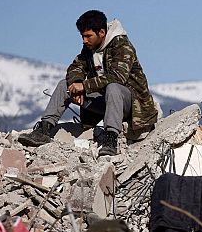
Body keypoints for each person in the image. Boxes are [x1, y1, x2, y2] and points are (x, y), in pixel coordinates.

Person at [18, 10, 158, 156]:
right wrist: (77, 83)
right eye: (82, 36)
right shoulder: (89, 48)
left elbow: (118, 77)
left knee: (113, 87)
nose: (84, 40)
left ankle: (110, 139)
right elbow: (75, 67)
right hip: (105, 103)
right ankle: (44, 129)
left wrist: (84, 86)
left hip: (131, 106)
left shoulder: (122, 46)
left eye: (88, 36)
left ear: (102, 32)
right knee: (64, 85)